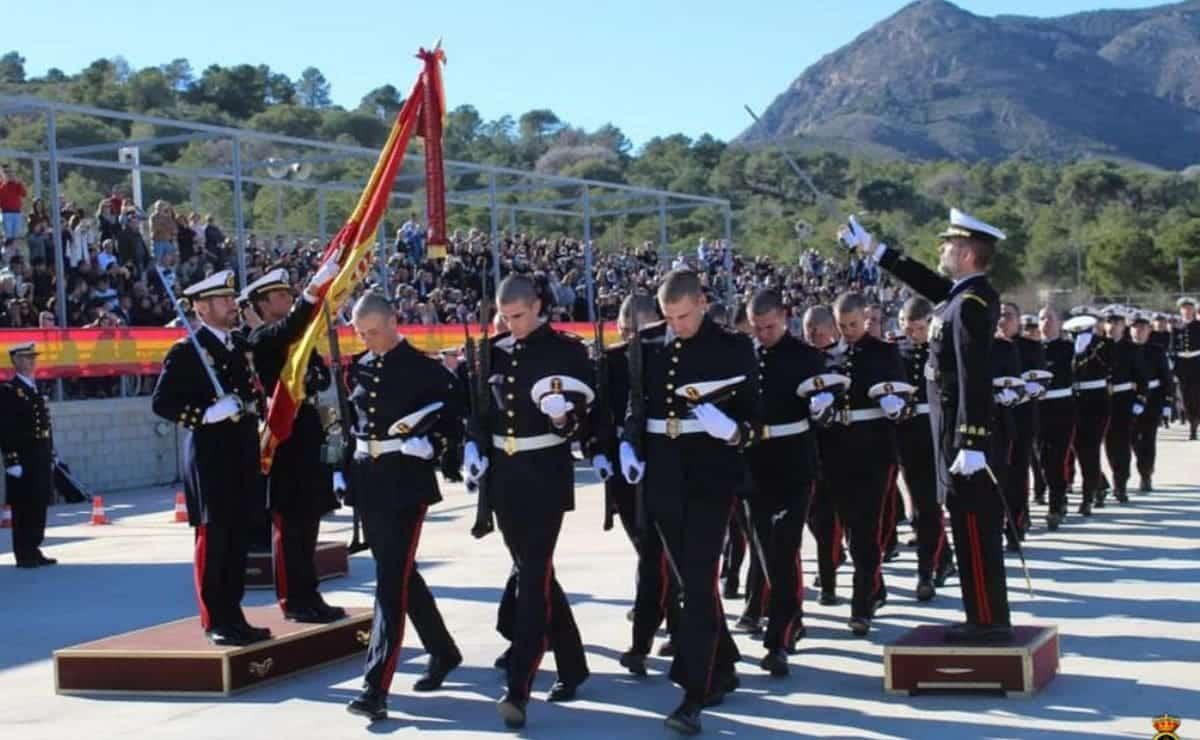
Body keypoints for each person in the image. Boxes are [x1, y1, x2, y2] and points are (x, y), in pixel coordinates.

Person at [852, 208, 1013, 643]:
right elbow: (927, 283)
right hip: (952, 437)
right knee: (965, 526)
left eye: (947, 244)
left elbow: (974, 375)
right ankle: (983, 614)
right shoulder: (962, 297)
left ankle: (986, 621)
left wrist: (972, 440)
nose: (941, 249)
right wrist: (875, 250)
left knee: (974, 530)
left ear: (964, 253)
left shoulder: (972, 304)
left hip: (964, 440)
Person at [462, 274, 593, 730]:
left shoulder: (567, 352)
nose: (511, 324)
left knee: (533, 575)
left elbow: (583, 419)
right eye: (505, 317)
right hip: (504, 478)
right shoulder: (492, 352)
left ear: (538, 305)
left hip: (544, 476)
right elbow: (478, 411)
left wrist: (565, 420)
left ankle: (519, 686)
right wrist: (473, 447)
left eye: (518, 316)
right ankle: (573, 663)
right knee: (532, 570)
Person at [343, 292, 464, 722]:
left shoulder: (424, 370)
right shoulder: (358, 366)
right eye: (360, 332)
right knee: (400, 573)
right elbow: (353, 421)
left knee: (389, 583)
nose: (367, 339)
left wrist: (431, 444)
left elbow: (454, 420)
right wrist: (343, 467)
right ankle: (444, 650)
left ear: (394, 320)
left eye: (373, 331)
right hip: (368, 480)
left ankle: (375, 686)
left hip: (406, 481)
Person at [151, 270, 270, 646]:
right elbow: (162, 403)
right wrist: (205, 414)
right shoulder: (189, 351)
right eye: (224, 300)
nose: (233, 305)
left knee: (238, 541)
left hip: (241, 454)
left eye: (232, 299)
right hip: (211, 458)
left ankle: (234, 614)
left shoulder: (237, 347)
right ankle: (214, 619)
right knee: (215, 539)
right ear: (201, 308)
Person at [243, 265, 344, 623]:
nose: (287, 300)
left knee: (310, 519)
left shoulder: (296, 342)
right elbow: (291, 327)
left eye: (290, 294)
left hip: (307, 435)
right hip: (283, 440)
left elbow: (319, 376)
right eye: (281, 296)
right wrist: (314, 290)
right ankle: (293, 599)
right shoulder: (263, 337)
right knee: (289, 527)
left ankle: (310, 593)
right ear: (261, 303)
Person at [805, 291, 906, 636]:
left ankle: (860, 606)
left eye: (853, 324)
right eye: (842, 325)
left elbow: (904, 399)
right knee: (846, 529)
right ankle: (876, 589)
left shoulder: (886, 353)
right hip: (836, 451)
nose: (848, 331)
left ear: (866, 318)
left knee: (865, 532)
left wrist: (895, 405)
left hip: (873, 451)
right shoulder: (827, 357)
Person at [597, 294, 682, 678]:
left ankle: (649, 639)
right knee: (650, 554)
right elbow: (597, 413)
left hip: (665, 464)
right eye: (624, 329)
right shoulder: (609, 361)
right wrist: (598, 451)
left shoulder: (669, 358)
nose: (629, 337)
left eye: (638, 330)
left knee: (661, 557)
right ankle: (659, 632)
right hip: (624, 468)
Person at [744, 288, 824, 675]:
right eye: (757, 328)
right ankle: (790, 617)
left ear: (787, 318)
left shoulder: (807, 357)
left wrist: (822, 408)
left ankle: (779, 639)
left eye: (769, 327)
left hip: (794, 461)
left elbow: (824, 408)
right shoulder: (746, 357)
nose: (762, 334)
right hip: (755, 463)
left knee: (784, 548)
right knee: (765, 551)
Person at [895, 297, 955, 600]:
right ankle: (942, 558)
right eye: (909, 327)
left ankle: (926, 571)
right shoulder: (896, 351)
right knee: (919, 507)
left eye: (919, 328)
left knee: (930, 507)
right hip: (907, 438)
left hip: (936, 436)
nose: (913, 334)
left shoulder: (941, 352)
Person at [0, 342, 56, 568]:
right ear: (15, 361)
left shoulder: (35, 388)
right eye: (26, 357)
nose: (32, 361)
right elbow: (5, 427)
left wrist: (50, 451)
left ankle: (34, 546)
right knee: (24, 504)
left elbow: (45, 423)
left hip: (40, 453)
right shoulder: (8, 390)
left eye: (33, 357)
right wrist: (11, 459)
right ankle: (24, 553)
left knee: (39, 502)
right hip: (23, 456)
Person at [1036, 306, 1076, 530]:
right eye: (1042, 318)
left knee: (1057, 458)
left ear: (1060, 323)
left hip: (1062, 407)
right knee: (1042, 459)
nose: (1046, 323)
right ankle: (1058, 496)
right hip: (1038, 408)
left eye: (1051, 318)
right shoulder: (1032, 349)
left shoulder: (1069, 348)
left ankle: (1055, 505)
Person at [1130, 312, 1173, 492]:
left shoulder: (1156, 351)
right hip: (1129, 399)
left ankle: (1145, 474)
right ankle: (1143, 464)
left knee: (1148, 438)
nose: (1139, 331)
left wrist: (1167, 403)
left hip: (1152, 399)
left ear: (1149, 330)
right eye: (1135, 327)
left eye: (1143, 328)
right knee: (1133, 439)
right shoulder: (1123, 349)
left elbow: (1166, 378)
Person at [1172, 297, 1200, 440]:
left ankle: (1194, 426)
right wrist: (1172, 368)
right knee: (1184, 396)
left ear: (1193, 310)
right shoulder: (1176, 327)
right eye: (1184, 308)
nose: (1187, 311)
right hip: (1182, 364)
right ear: (1181, 310)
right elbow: (1172, 348)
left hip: (1197, 363)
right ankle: (1191, 420)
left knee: (1197, 394)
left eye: (1189, 308)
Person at [0, 168, 27, 246]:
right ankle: (7, 252)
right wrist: (5, 182)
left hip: (17, 213)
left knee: (16, 236)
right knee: (8, 236)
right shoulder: (3, 185)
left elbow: (24, 194)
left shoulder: (16, 185)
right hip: (6, 213)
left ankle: (15, 253)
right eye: (8, 175)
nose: (11, 176)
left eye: (12, 174)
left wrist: (19, 183)